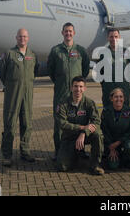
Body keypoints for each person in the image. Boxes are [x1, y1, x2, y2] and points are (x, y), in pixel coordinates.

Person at [47, 22, 90, 160]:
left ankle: (80, 151)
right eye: (66, 31)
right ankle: (59, 151)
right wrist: (61, 82)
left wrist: (78, 85)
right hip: (61, 93)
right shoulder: (56, 51)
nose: (68, 33)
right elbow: (51, 71)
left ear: (74, 33)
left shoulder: (81, 51)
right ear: (62, 33)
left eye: (70, 31)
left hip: (77, 93)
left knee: (80, 120)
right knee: (59, 124)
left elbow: (84, 70)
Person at [0, 28, 39, 167]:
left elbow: (35, 70)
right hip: (12, 94)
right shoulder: (9, 54)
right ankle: (7, 155)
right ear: (16, 38)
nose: (23, 38)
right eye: (20, 36)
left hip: (27, 95)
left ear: (28, 38)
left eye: (25, 36)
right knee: (10, 124)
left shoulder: (32, 55)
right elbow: (0, 71)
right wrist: (10, 85)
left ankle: (25, 151)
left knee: (27, 123)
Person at [55, 76, 104, 175]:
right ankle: (76, 154)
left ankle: (95, 165)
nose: (78, 89)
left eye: (81, 87)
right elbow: (62, 124)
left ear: (84, 88)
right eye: (75, 86)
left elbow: (96, 121)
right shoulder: (63, 103)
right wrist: (81, 127)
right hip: (70, 137)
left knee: (97, 135)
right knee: (62, 166)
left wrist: (84, 132)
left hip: (85, 136)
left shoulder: (89, 103)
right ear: (71, 88)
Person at [100, 88, 130, 170]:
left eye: (121, 97)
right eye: (116, 97)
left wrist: (118, 143)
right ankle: (113, 156)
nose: (118, 99)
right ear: (111, 98)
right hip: (111, 143)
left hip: (125, 142)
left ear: (124, 98)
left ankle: (127, 160)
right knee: (113, 166)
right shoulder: (106, 112)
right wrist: (111, 146)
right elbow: (104, 131)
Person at [97, 28, 130, 108]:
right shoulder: (103, 53)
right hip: (108, 90)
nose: (113, 39)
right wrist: (106, 84)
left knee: (125, 114)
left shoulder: (126, 52)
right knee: (108, 113)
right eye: (111, 37)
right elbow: (100, 72)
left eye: (116, 36)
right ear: (108, 38)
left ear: (119, 37)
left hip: (124, 89)